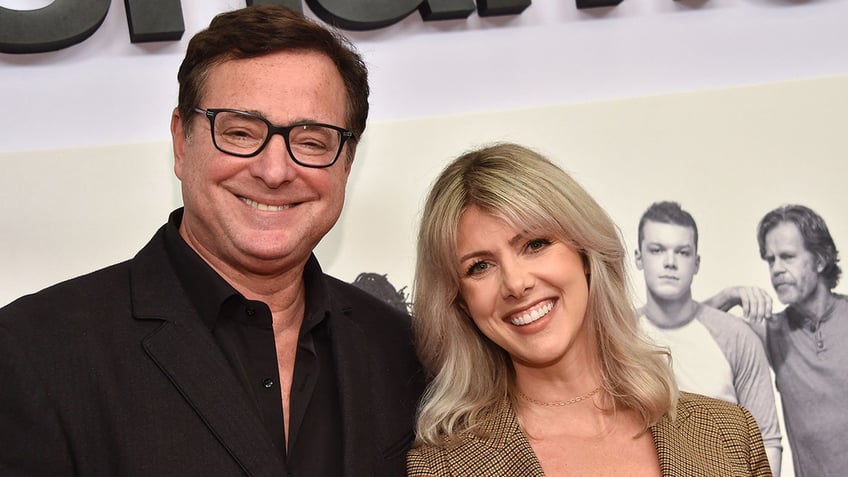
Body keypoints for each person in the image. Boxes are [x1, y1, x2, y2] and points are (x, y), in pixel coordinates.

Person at [0, 6, 424, 476]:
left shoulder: (402, 348)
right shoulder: (33, 352)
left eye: (311, 141)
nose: (275, 171)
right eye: (240, 133)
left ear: (346, 163)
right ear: (182, 143)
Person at [406, 143, 771, 476]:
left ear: (584, 253)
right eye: (480, 267)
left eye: (535, 244)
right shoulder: (443, 468)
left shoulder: (730, 434)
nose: (516, 284)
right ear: (461, 302)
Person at [634, 201, 782, 475]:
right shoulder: (617, 335)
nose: (670, 262)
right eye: (657, 250)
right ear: (638, 258)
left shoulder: (736, 336)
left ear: (696, 263)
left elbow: (766, 438)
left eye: (682, 252)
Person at [709, 204, 848, 477]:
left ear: (820, 260)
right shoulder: (773, 332)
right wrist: (730, 295)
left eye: (787, 257)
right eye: (770, 260)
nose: (776, 269)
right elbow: (688, 325)